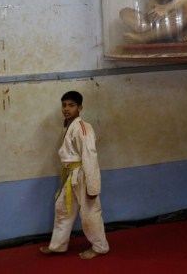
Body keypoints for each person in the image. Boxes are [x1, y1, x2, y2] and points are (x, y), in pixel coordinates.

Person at [40, 91, 109, 259]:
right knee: (62, 209)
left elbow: (90, 157)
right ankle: (58, 245)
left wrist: (93, 187)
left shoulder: (83, 128)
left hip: (83, 175)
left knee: (90, 213)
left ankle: (100, 247)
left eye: (71, 105)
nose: (66, 109)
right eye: (64, 105)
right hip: (71, 175)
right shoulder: (68, 126)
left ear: (80, 108)